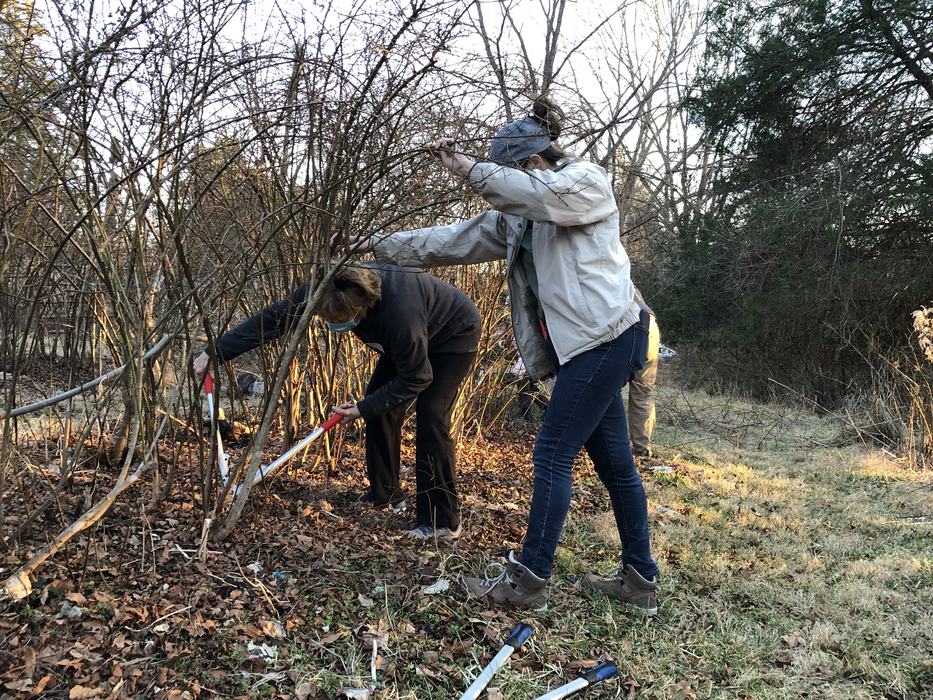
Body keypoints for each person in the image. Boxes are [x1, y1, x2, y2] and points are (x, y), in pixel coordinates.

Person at [354, 97, 660, 613]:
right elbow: (452, 239)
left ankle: (529, 581)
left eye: (510, 175)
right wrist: (376, 245)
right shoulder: (522, 221)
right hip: (586, 348)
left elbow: (537, 196)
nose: (505, 191)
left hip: (608, 338)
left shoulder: (584, 184)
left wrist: (469, 168)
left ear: (532, 164)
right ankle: (639, 581)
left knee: (551, 454)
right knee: (616, 466)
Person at [192, 263, 481, 541]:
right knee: (379, 405)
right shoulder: (326, 287)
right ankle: (387, 495)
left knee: (432, 416)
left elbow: (418, 377)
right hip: (410, 341)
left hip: (453, 334)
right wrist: (214, 354)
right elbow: (274, 319)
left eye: (340, 321)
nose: (333, 325)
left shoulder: (399, 314)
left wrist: (361, 408)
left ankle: (441, 522)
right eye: (327, 319)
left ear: (363, 308)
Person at [629, 288, 660, 460]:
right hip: (650, 326)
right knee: (643, 393)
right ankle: (642, 448)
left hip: (629, 327)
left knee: (606, 391)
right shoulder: (624, 278)